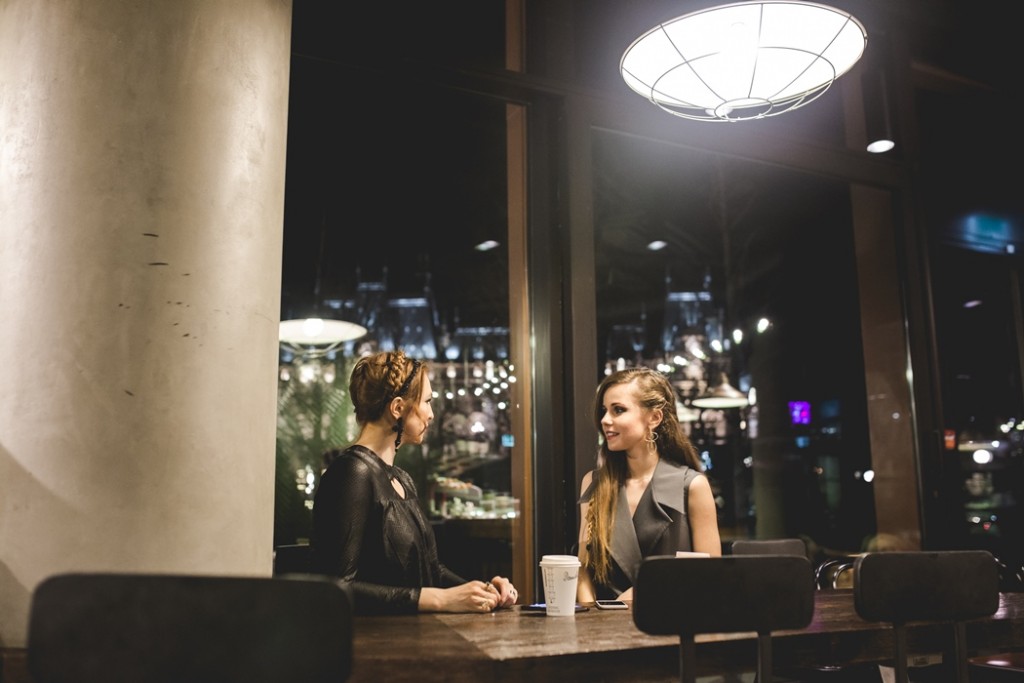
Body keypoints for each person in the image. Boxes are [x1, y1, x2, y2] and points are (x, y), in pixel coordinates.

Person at [312, 349, 517, 615]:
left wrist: (483, 591)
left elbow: (431, 570)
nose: (431, 414)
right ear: (398, 408)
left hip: (418, 637)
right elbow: (337, 587)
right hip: (374, 647)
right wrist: (439, 600)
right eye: (427, 402)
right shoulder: (353, 473)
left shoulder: (402, 479)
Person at [576, 367, 721, 602]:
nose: (605, 420)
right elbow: (584, 568)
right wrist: (593, 618)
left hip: (671, 627)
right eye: (604, 411)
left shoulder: (692, 486)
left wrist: (644, 591)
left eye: (618, 410)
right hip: (605, 630)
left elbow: (710, 575)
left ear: (654, 417)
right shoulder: (594, 483)